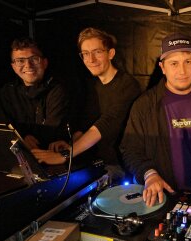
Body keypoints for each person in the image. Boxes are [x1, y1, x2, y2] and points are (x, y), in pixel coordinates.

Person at [120, 33, 191, 207]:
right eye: (174, 63)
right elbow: (130, 149)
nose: (182, 71)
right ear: (162, 67)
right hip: (162, 198)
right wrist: (149, 174)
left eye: (188, 61)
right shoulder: (144, 105)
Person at [32, 27, 141, 183]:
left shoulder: (128, 85)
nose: (91, 60)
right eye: (85, 54)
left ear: (110, 53)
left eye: (97, 52)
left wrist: (65, 155)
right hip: (94, 160)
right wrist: (70, 144)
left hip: (119, 165)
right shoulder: (93, 85)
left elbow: (106, 123)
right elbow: (86, 123)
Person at [0, 37, 69, 149]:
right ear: (13, 67)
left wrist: (22, 136)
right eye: (20, 61)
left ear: (44, 63)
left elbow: (51, 133)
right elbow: (0, 129)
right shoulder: (7, 92)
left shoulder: (58, 89)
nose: (28, 65)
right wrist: (21, 137)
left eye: (34, 59)